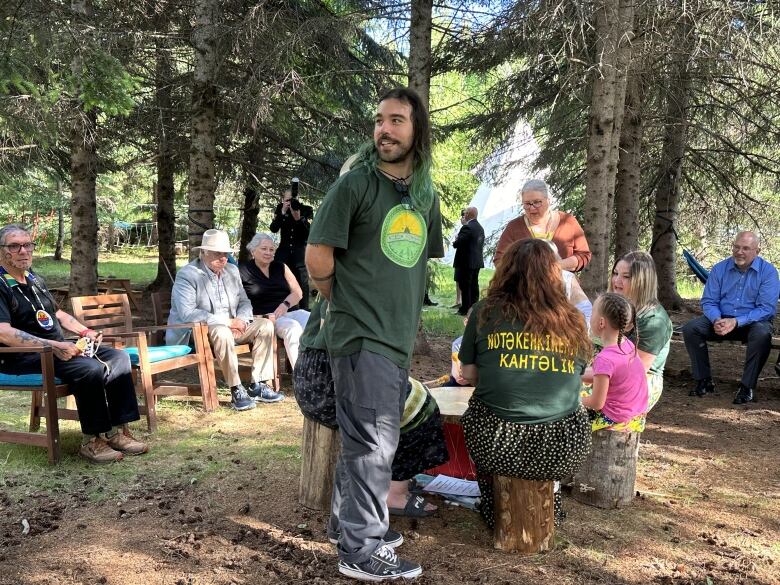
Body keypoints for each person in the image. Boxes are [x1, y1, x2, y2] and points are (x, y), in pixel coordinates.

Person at [305, 87, 443, 581]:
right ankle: (360, 552)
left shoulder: (425, 194)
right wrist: (341, 300)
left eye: (397, 121)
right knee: (373, 445)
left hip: (394, 336)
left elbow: (418, 259)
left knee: (363, 439)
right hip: (360, 335)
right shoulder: (354, 185)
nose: (384, 129)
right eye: (380, 120)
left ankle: (349, 526)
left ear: (416, 130)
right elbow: (317, 256)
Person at [459, 238, 592, 528]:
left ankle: (494, 506)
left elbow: (467, 374)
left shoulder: (484, 311)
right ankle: (550, 502)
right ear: (554, 274)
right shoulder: (574, 319)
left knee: (477, 411)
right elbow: (578, 374)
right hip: (562, 447)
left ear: (506, 271)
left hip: (498, 444)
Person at [0, 224, 147, 463]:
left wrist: (85, 331)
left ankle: (117, 431)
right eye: (14, 246)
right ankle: (92, 440)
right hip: (19, 356)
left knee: (119, 357)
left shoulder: (34, 279)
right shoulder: (0, 284)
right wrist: (54, 346)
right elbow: (3, 333)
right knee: (89, 368)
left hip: (56, 348)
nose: (23, 251)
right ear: (1, 251)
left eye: (27, 245)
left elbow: (58, 314)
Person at [292, 297, 447, 524]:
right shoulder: (357, 286)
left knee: (410, 395)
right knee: (421, 407)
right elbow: (343, 345)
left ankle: (385, 482)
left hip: (312, 378)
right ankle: (395, 493)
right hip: (330, 383)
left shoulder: (343, 278)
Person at [167, 229, 283, 411]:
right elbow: (188, 313)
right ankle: (236, 388)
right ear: (203, 252)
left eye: (225, 254)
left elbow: (244, 301)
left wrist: (242, 320)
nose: (223, 258)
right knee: (221, 331)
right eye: (217, 253)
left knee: (266, 325)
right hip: (198, 332)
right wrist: (228, 323)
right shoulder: (188, 274)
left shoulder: (231, 270)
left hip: (233, 327)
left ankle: (258, 385)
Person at [681, 231, 779, 405]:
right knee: (691, 328)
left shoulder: (768, 272)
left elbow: (766, 309)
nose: (739, 252)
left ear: (757, 250)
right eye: (737, 247)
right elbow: (709, 301)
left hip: (753, 322)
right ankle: (704, 380)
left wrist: (736, 321)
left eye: (746, 248)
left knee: (762, 334)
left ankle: (747, 386)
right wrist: (716, 319)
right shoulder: (720, 269)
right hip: (721, 320)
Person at [609, 251, 672, 411]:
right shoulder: (613, 306)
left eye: (626, 276)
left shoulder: (654, 320)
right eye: (615, 273)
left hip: (640, 383)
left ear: (642, 281)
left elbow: (635, 371)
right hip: (606, 372)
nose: (617, 280)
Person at [239, 233, 310, 369]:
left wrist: (285, 304)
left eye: (271, 250)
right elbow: (237, 300)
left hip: (288, 312)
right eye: (264, 249)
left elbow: (298, 292)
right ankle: (301, 374)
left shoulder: (281, 267)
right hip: (266, 318)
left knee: (314, 322)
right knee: (293, 328)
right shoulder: (242, 270)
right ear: (253, 250)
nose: (268, 253)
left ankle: (319, 368)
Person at [582, 293, 649, 431]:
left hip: (614, 419)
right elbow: (608, 376)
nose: (590, 316)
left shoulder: (604, 359)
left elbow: (596, 403)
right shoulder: (627, 344)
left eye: (593, 312)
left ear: (601, 322)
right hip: (636, 416)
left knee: (564, 412)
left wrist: (570, 401)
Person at [493, 178, 591, 270]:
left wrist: (557, 266)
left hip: (562, 286)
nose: (532, 208)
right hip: (523, 286)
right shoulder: (514, 227)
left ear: (549, 200)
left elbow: (584, 255)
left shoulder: (568, 222)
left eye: (537, 202)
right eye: (527, 204)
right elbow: (500, 260)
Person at [270, 184, 313, 310]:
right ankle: (280, 308)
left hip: (299, 254)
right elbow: (273, 228)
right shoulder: (280, 209)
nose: (289, 202)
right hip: (283, 253)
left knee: (302, 284)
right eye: (287, 200)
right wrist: (282, 213)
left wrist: (299, 219)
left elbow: (309, 234)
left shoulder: (306, 210)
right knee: (280, 282)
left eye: (292, 200)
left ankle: (304, 311)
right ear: (283, 199)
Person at [452, 206, 485, 315]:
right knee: (474, 285)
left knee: (465, 286)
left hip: (466, 262)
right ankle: (474, 307)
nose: (464, 215)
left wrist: (456, 239)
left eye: (465, 213)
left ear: (468, 215)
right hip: (476, 261)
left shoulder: (467, 227)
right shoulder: (480, 227)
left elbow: (458, 243)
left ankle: (464, 309)